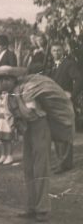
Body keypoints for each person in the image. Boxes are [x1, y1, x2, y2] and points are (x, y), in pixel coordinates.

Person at [46, 43, 81, 173]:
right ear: (51, 52)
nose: (56, 52)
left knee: (64, 130)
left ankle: (65, 163)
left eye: (59, 50)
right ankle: (61, 161)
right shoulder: (51, 66)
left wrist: (71, 94)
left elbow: (79, 79)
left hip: (64, 102)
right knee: (56, 131)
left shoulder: (68, 63)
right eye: (54, 50)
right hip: (52, 102)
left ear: (63, 51)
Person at [0, 72, 17, 165]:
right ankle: (3, 155)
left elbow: (11, 108)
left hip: (7, 118)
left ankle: (9, 155)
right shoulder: (0, 96)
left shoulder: (10, 95)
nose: (3, 83)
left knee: (8, 138)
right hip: (1, 119)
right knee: (2, 138)